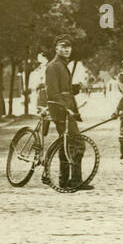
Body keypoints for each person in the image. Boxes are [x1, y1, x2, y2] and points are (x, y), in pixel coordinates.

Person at [45, 38, 86, 188]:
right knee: (78, 143)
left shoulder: (62, 65)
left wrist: (76, 88)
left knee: (65, 143)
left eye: (69, 47)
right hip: (60, 110)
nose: (67, 49)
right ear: (56, 48)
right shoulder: (53, 66)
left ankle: (64, 180)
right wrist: (65, 108)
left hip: (66, 110)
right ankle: (75, 181)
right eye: (63, 47)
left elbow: (65, 90)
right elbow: (53, 92)